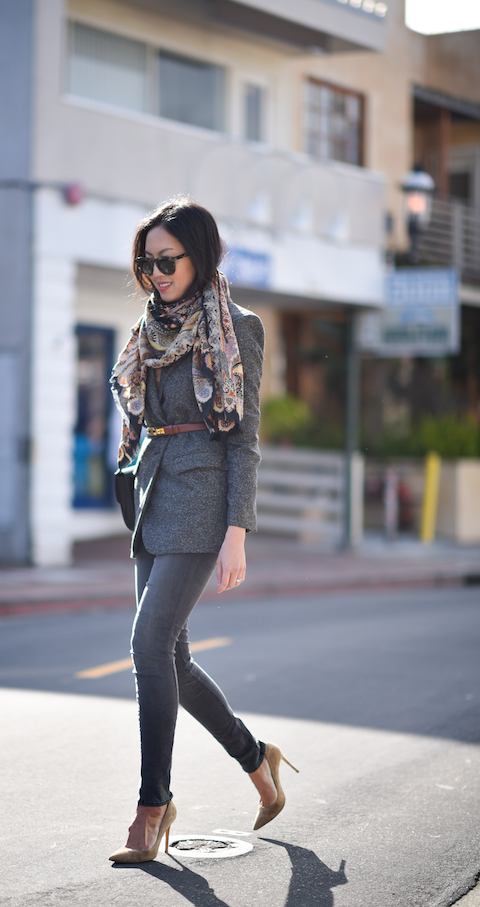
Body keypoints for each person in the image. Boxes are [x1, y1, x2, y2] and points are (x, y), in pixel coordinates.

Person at [109, 197, 298, 865]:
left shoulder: (238, 326)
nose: (154, 273)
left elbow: (244, 438)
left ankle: (151, 804)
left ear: (201, 254)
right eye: (146, 262)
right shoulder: (151, 326)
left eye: (166, 260)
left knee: (147, 641)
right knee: (174, 660)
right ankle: (257, 758)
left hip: (203, 496)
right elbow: (143, 416)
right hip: (154, 492)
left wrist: (237, 529)